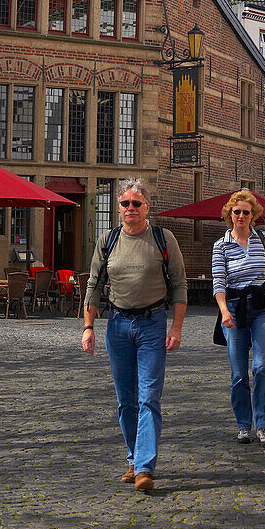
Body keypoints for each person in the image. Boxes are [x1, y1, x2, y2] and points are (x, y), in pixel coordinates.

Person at [82, 179, 186, 493]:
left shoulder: (162, 238)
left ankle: (144, 467)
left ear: (147, 207)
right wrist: (88, 327)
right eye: (126, 203)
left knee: (149, 397)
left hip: (153, 324)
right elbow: (94, 285)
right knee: (126, 401)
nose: (131, 209)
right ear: (119, 208)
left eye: (136, 204)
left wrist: (177, 327)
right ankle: (133, 457)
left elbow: (179, 285)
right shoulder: (108, 240)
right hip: (117, 326)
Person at [213, 189, 265, 448]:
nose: (241, 215)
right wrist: (224, 310)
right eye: (237, 211)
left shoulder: (262, 239)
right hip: (234, 306)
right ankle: (244, 425)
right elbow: (219, 281)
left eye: (246, 212)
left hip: (262, 304)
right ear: (229, 214)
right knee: (239, 373)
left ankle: (264, 425)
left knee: (262, 365)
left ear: (253, 215)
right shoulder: (221, 245)